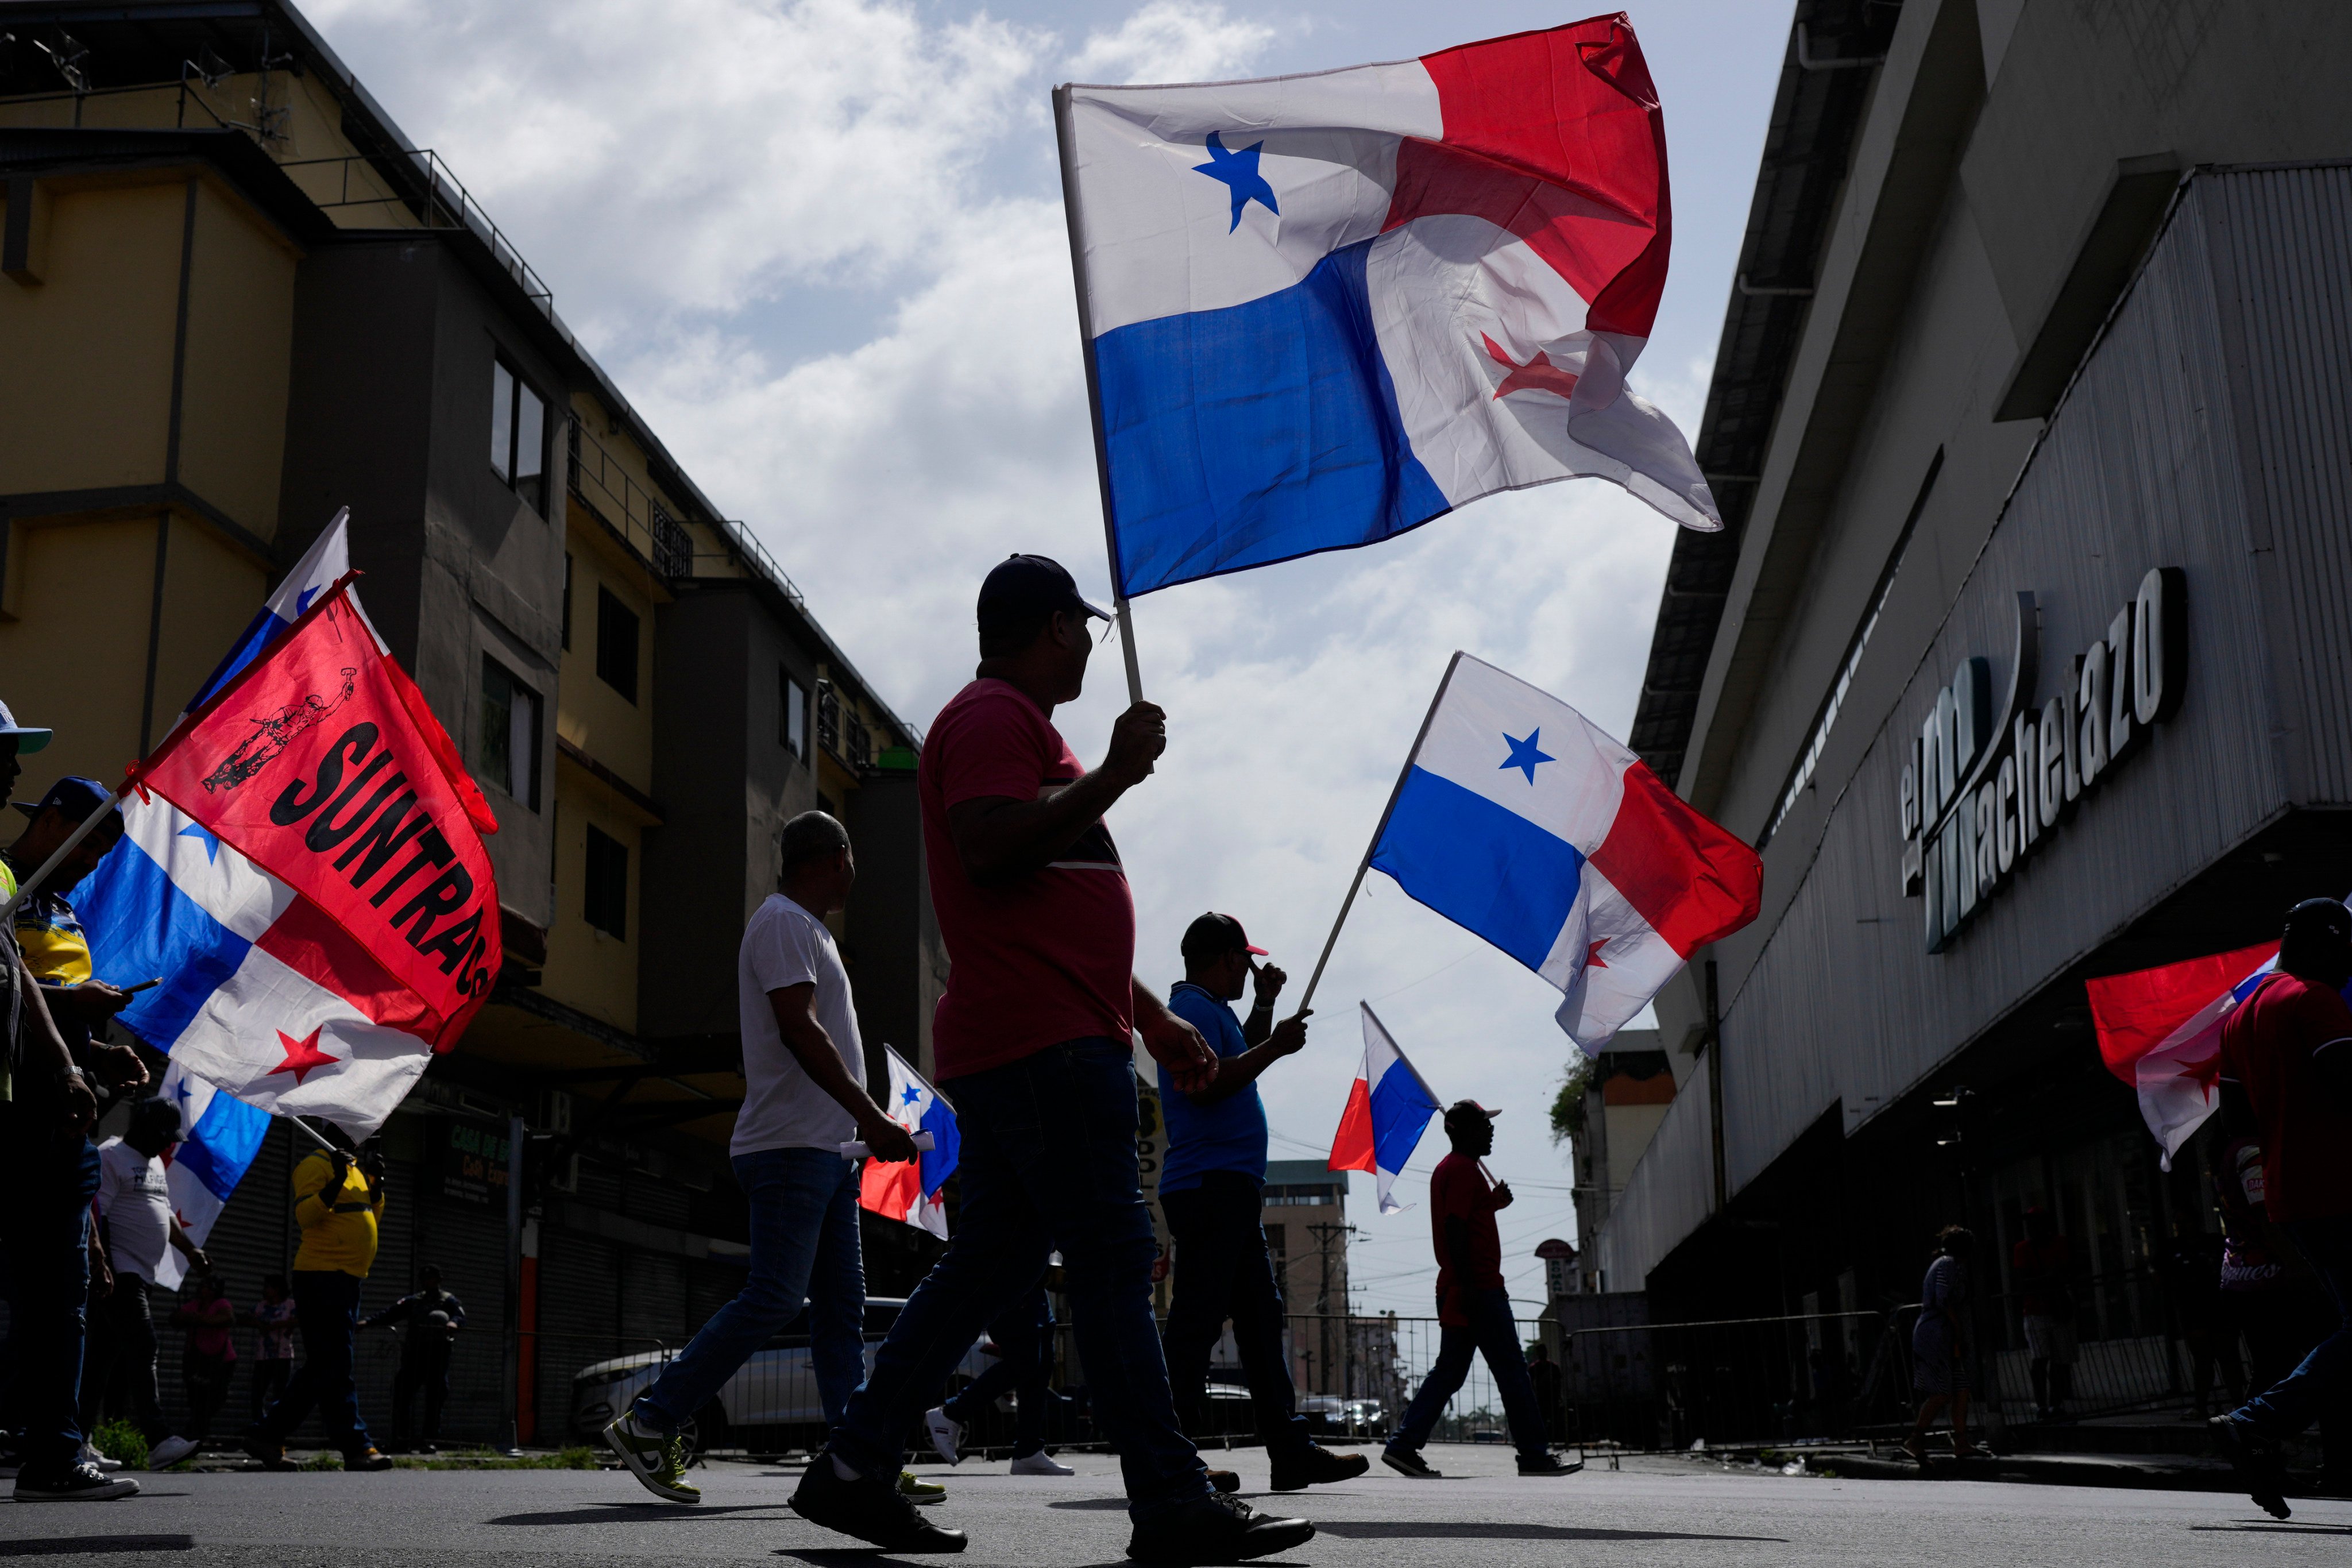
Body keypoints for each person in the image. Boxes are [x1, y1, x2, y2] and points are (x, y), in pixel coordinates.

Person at [790, 554, 1314, 1563]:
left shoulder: (1021, 729)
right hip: (1043, 1048)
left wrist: (1153, 1019)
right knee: (1115, 1258)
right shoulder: (994, 716)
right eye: (1081, 626)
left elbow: (1053, 906)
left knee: (990, 1263)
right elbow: (991, 848)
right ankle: (1168, 1499)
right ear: (1049, 629)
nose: (1086, 644)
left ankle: (854, 1468)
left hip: (1033, 1036)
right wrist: (1115, 775)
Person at [605, 811, 918, 1506]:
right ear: (834, 857)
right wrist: (872, 1115)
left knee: (841, 1311)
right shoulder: (781, 923)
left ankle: (856, 1459)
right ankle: (652, 1420)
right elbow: (797, 1028)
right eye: (853, 858)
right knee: (777, 1295)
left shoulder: (811, 932)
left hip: (827, 1152)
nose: (856, 871)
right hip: (789, 1148)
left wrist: (862, 1129)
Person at [1156, 911, 1362, 1492]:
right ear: (1226, 959)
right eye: (1246, 960)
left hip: (1225, 1188)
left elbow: (1233, 1060)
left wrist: (1266, 1014)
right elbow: (1213, 1082)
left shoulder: (1207, 1009)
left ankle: (1289, 1451)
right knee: (1198, 1321)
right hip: (1211, 1187)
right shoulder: (1192, 1010)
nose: (1251, 969)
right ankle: (1174, 1460)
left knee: (1259, 1319)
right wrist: (1274, 1047)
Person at [0, 708, 146, 1503]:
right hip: (18, 1109)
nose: (93, 864)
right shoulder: (4, 889)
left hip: (60, 1116)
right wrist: (71, 1001)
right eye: (90, 843)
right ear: (52, 821)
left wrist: (97, 1053)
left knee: (59, 1292)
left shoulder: (64, 912)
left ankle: (55, 1444)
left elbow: (43, 1009)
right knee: (44, 1292)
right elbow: (13, 995)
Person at [2210, 897, 2352, 1521]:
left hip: (2292, 1197)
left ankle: (2259, 1424)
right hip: (2342, 1186)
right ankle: (2257, 1422)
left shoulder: (2239, 1019)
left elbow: (2237, 1124)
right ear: (2325, 945)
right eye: (2345, 951)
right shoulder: (2315, 1000)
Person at [1382, 1101, 1576, 1480]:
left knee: (1450, 1373)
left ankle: (1403, 1445)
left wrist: (1491, 1204)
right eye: (1482, 1125)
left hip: (1463, 1286)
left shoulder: (1452, 1170)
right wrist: (1471, 1286)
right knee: (1512, 1372)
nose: (1489, 1131)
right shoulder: (1463, 1170)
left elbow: (1464, 1219)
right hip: (1477, 1288)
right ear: (1460, 1131)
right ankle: (1534, 1455)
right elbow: (1455, 1227)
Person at [242, 1122, 393, 1472]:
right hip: (322, 1276)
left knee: (325, 1365)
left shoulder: (355, 1168)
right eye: (357, 1130)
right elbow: (305, 1217)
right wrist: (337, 1179)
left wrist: (376, 1185)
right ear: (336, 1130)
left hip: (347, 1278)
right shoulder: (315, 1165)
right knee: (335, 1363)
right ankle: (356, 1445)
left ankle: (267, 1434)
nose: (363, 1137)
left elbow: (371, 1216)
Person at [81, 1096, 208, 1470]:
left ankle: (77, 1441)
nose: (168, 1144)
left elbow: (164, 1212)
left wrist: (190, 1249)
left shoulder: (153, 1162)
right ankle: (158, 1440)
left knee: (100, 1362)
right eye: (164, 1136)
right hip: (120, 1271)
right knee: (144, 1344)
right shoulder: (111, 1155)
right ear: (145, 1127)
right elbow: (95, 1211)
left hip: (141, 1274)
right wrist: (101, 1262)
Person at [924, 1285, 1074, 1474]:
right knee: (1023, 1361)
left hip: (1036, 1282)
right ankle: (952, 1412)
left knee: (1041, 1366)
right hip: (1014, 1276)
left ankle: (1029, 1451)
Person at [362, 1265, 466, 1453]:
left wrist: (453, 1323)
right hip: (415, 1355)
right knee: (401, 1394)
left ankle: (429, 1440)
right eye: (425, 1279)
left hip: (438, 1355)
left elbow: (460, 1315)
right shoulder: (414, 1301)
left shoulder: (447, 1300)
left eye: (432, 1278)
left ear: (438, 1280)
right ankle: (401, 1438)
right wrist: (367, 1322)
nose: (428, 1282)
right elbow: (390, 1314)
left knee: (435, 1399)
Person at [1903, 1226, 1980, 1464]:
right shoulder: (1947, 1264)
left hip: (1944, 1335)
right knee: (1941, 1392)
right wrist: (1958, 1332)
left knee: (1961, 1389)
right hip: (1935, 1334)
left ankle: (1961, 1442)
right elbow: (1942, 1299)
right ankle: (1915, 1440)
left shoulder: (1952, 1265)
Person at [2011, 1207, 2076, 1422]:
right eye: (2029, 1224)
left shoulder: (2059, 1243)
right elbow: (2023, 1282)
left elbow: (2063, 1273)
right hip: (2036, 1311)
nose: (2032, 1228)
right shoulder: (2023, 1248)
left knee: (2059, 1360)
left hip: (2055, 1310)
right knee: (2041, 1359)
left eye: (2036, 1223)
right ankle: (2042, 1405)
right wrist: (2048, 1279)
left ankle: (2054, 1404)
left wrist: (2040, 1281)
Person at [171, 1275, 238, 1450]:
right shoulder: (196, 1304)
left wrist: (199, 1319)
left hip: (221, 1359)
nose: (204, 1290)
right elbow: (177, 1317)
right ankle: (196, 1431)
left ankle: (199, 1429)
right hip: (197, 1358)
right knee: (196, 1396)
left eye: (208, 1287)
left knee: (216, 1397)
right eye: (203, 1286)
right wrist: (195, 1318)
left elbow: (227, 1318)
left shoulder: (221, 1304)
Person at [248, 1276, 298, 1422]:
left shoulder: (290, 1305)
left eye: (268, 1287)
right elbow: (245, 1317)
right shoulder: (262, 1306)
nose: (265, 1290)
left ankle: (277, 1424)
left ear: (277, 1289)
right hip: (263, 1356)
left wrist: (277, 1325)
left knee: (280, 1393)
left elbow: (298, 1320)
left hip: (283, 1356)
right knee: (257, 1393)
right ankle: (260, 1424)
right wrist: (259, 1324)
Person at [1527, 1342, 1565, 1445]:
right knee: (1541, 1420)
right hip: (1540, 1398)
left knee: (1555, 1420)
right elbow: (1530, 1383)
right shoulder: (1535, 1367)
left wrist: (1559, 1395)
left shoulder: (1553, 1367)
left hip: (1552, 1397)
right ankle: (1543, 1440)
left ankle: (1557, 1440)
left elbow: (1558, 1382)